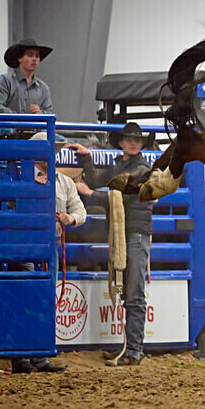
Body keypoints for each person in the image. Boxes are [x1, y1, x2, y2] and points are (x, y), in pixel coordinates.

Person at [68, 123, 155, 366]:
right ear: (121, 142)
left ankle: (134, 350)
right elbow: (99, 179)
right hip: (128, 233)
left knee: (134, 292)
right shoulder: (120, 165)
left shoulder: (141, 168)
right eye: (129, 138)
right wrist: (87, 159)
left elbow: (120, 193)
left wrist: (88, 192)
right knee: (130, 290)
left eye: (137, 139)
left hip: (135, 233)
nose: (133, 142)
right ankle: (131, 347)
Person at [11, 132, 86, 374]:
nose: (51, 155)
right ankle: (23, 358)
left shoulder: (64, 182)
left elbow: (80, 210)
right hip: (24, 245)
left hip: (48, 245)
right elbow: (10, 205)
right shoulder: (22, 177)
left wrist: (70, 218)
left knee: (43, 299)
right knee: (26, 298)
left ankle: (39, 356)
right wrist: (34, 190)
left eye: (53, 150)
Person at [0, 39, 54, 114]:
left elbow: (49, 113)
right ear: (20, 58)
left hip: (33, 126)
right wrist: (19, 116)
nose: (35, 59)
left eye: (37, 56)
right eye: (30, 55)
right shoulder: (5, 80)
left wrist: (40, 113)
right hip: (9, 125)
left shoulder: (43, 88)